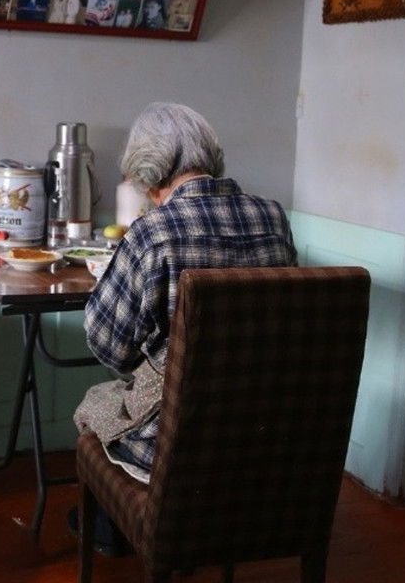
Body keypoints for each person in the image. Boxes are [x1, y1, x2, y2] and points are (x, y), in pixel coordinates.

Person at [70, 102, 297, 553]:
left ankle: (122, 527)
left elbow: (109, 348)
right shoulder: (273, 218)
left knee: (95, 402)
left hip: (173, 446)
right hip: (264, 435)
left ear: (151, 176)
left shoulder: (153, 232)